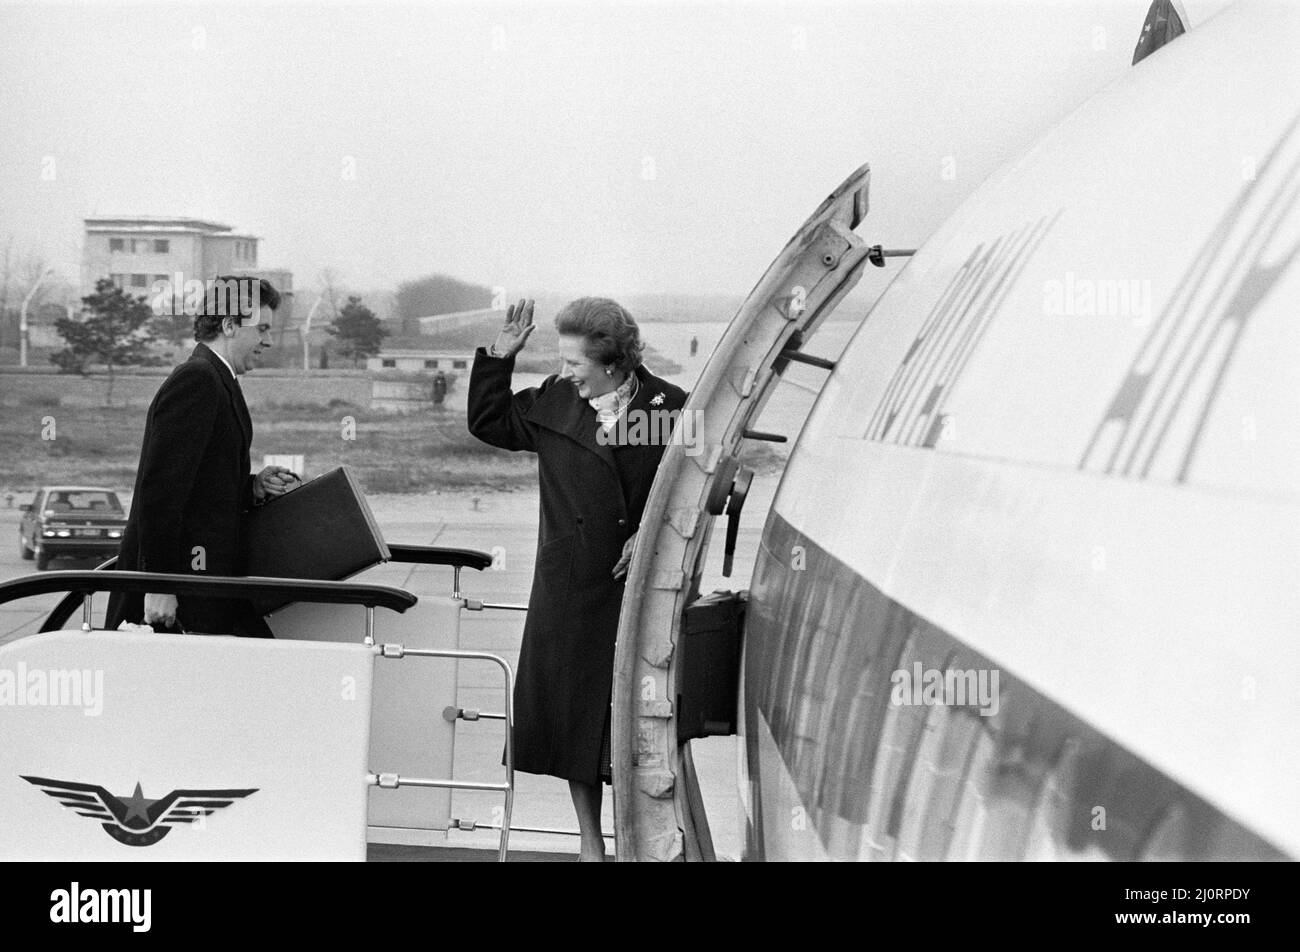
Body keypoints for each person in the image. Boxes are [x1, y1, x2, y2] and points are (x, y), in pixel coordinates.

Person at [468, 297, 687, 861]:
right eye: (562, 362)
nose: (565, 373)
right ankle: (592, 843)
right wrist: (499, 357)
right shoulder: (556, 401)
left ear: (612, 363)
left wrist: (651, 531)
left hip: (640, 586)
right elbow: (488, 422)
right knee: (575, 719)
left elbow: (700, 483)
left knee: (641, 716)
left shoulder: (668, 407)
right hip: (570, 585)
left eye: (575, 364)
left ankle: (650, 836)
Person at [105, 276, 300, 636]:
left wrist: (252, 487)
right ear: (228, 325)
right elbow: (159, 493)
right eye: (261, 329)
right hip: (179, 598)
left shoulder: (218, 379)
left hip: (203, 586)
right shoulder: (198, 380)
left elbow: (199, 487)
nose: (268, 341)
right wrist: (160, 584)